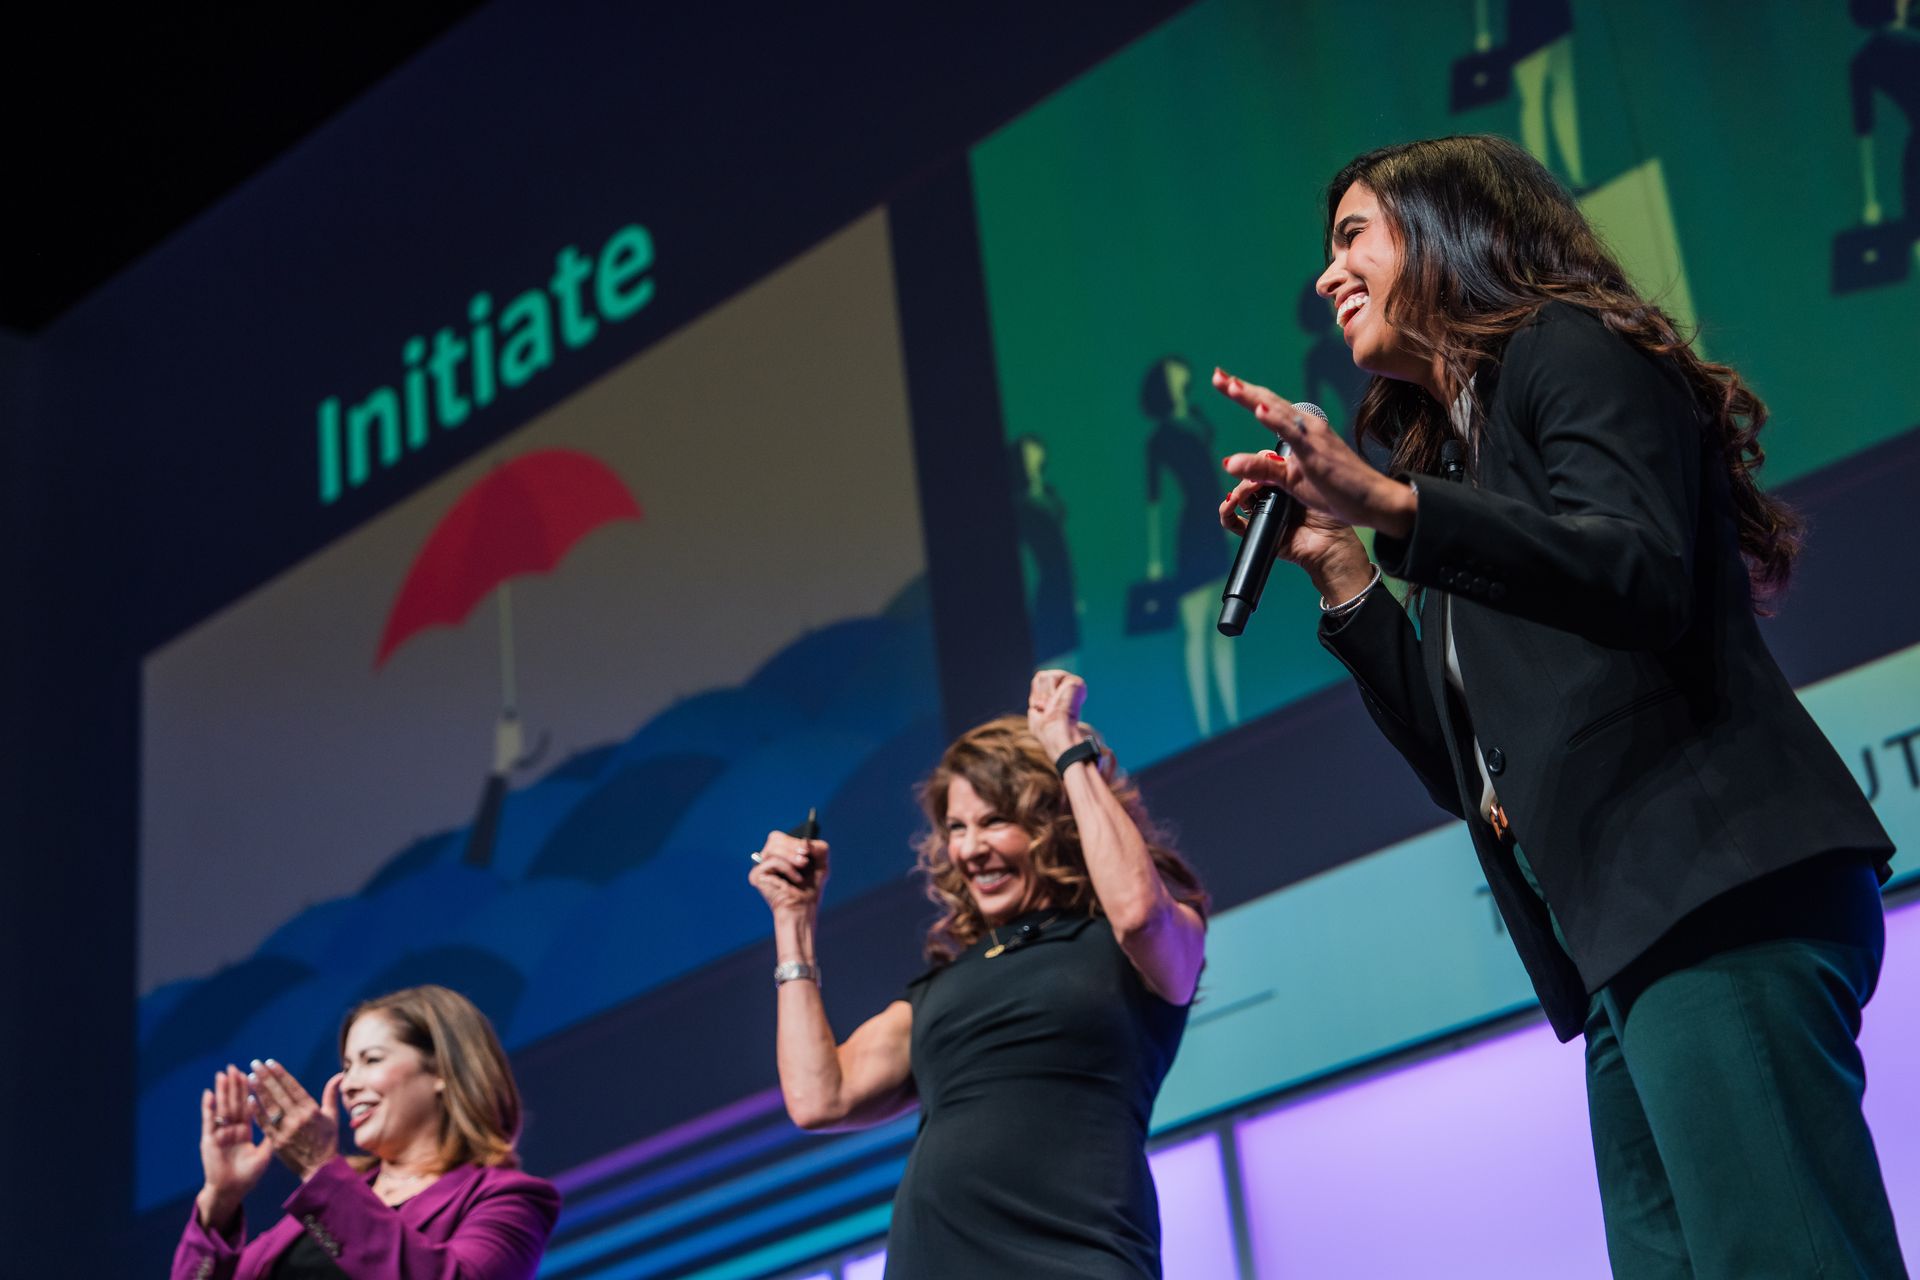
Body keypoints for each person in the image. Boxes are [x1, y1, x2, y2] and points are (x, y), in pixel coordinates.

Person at [1211, 134, 1903, 1277]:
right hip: (1621, 932)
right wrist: (1344, 565)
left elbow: (1638, 566)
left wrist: (1397, 502)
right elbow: (1470, 767)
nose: (1326, 276)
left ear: (1448, 228)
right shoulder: (1463, 469)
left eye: (1352, 236)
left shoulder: (1567, 345)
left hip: (1711, 879)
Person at [748, 670, 1208, 1279]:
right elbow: (819, 1098)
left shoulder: (1127, 944)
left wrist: (1065, 747)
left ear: (1055, 820)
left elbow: (1139, 915)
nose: (969, 849)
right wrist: (793, 919)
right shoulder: (942, 987)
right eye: (956, 829)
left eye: (993, 821)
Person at [172, 984, 560, 1280]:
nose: (349, 1084)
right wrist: (219, 1200)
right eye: (346, 1066)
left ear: (442, 1070)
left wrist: (320, 1169)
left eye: (371, 1060)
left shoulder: (508, 1199)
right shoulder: (329, 1201)